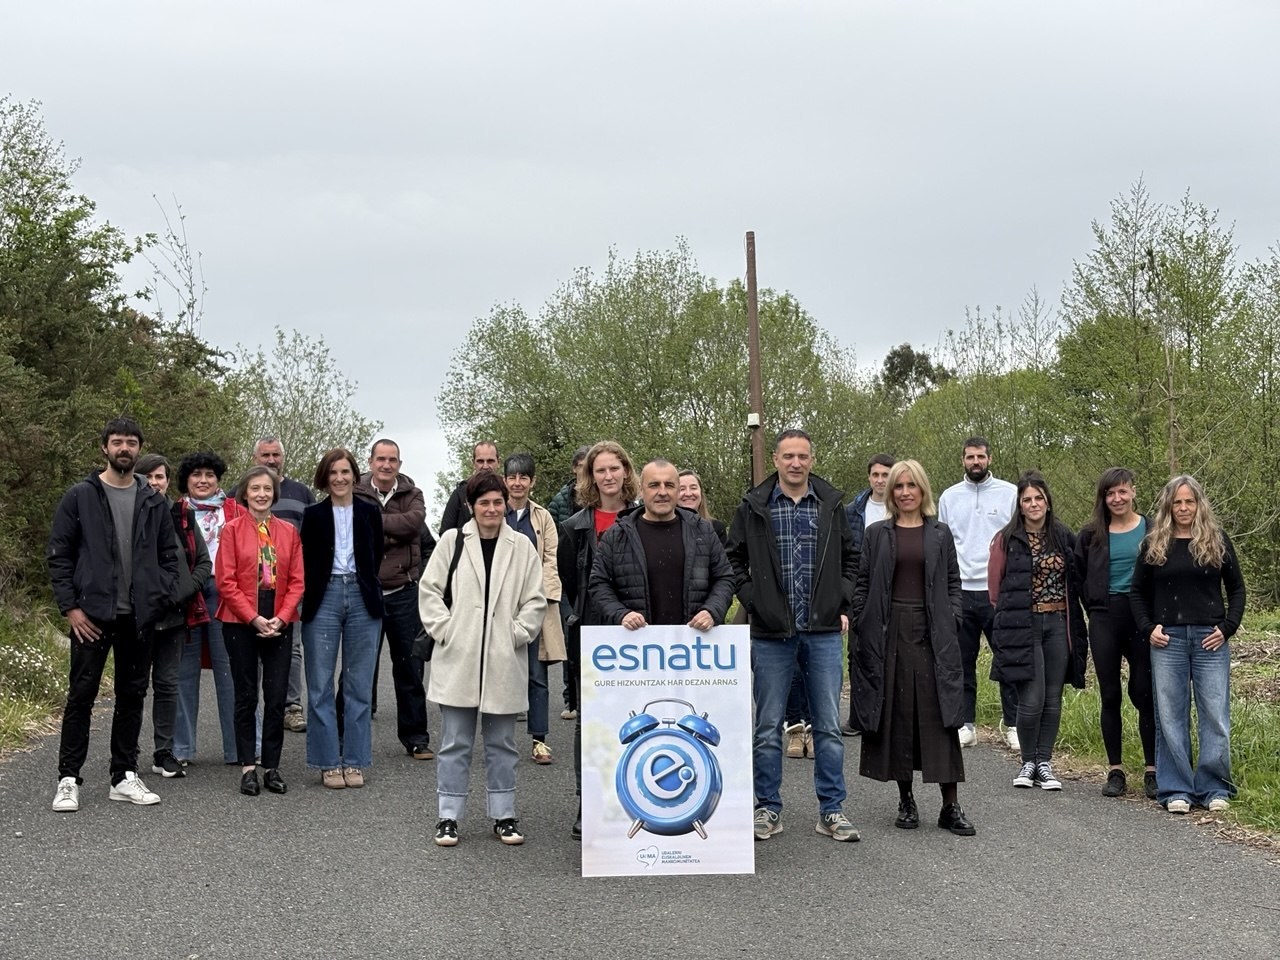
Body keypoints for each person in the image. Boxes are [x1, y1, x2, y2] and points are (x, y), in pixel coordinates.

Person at [726, 428, 860, 843]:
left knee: (828, 726)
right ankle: (767, 808)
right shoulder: (754, 506)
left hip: (820, 630)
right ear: (777, 461)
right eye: (788, 456)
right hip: (770, 634)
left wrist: (842, 601)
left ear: (812, 460)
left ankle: (832, 810)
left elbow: (853, 559)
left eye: (803, 456)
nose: (796, 463)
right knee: (767, 727)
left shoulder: (831, 505)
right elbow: (734, 560)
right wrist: (752, 600)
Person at [48, 417, 178, 812]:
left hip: (138, 617)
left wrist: (157, 599)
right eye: (117, 442)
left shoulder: (154, 501)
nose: (125, 448)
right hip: (92, 616)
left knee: (132, 696)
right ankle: (68, 779)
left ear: (139, 449)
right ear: (104, 447)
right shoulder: (80, 496)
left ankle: (123, 776)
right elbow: (60, 555)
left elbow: (170, 557)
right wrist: (71, 608)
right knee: (81, 696)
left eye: (131, 442)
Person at [419, 471, 547, 847]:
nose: (491, 509)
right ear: (471, 507)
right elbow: (429, 592)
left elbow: (535, 600)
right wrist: (447, 630)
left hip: (503, 658)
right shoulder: (452, 541)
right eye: (483, 503)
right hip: (459, 657)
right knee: (455, 742)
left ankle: (504, 814)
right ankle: (448, 816)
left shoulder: (522, 546)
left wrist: (517, 633)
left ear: (506, 503)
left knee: (502, 744)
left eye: (497, 502)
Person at [851, 460, 973, 835]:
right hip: (889, 634)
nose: (905, 492)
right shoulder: (876, 534)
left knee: (939, 717)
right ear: (891, 492)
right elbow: (862, 584)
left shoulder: (940, 533)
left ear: (923, 490)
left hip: (934, 631)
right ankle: (906, 800)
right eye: (898, 486)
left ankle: (950, 806)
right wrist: (860, 619)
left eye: (911, 485)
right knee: (899, 715)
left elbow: (954, 582)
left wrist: (952, 618)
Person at [1130, 475, 1245, 815]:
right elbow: (1137, 592)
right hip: (1169, 642)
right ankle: (1176, 787)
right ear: (1168, 505)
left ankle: (1214, 786)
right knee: (1170, 716)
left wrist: (1227, 628)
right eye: (1177, 502)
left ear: (1199, 505)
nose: (1183, 508)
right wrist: (1148, 628)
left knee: (1214, 714)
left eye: (1189, 502)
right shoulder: (1154, 543)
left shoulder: (1216, 540)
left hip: (1211, 640)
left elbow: (1237, 589)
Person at [558, 440, 639, 839]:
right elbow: (572, 585)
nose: (608, 477)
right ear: (590, 477)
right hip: (593, 635)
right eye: (600, 470)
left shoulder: (644, 518)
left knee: (636, 716)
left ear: (626, 471)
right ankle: (586, 802)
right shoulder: (574, 527)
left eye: (614, 468)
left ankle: (635, 798)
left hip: (641, 633)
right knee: (590, 722)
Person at [989, 471, 1088, 792]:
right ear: (1019, 505)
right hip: (1023, 626)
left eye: (1039, 498)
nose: (1034, 504)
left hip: (1058, 624)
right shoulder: (1007, 539)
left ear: (1047, 502)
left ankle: (1044, 762)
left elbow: (1078, 579)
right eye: (1027, 499)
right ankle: (1027, 762)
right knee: (1031, 700)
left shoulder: (1063, 536)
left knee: (1052, 699)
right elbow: (995, 589)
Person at [214, 465, 304, 796]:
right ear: (245, 493)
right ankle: (248, 766)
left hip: (279, 616)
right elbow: (225, 581)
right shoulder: (232, 530)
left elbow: (297, 581)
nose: (261, 494)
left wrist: (280, 618)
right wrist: (253, 618)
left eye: (267, 488)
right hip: (240, 619)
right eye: (255, 489)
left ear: (274, 493)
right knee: (246, 694)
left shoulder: (289, 532)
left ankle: (272, 766)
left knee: (277, 694)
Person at [301, 449, 385, 789]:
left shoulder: (369, 512)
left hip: (362, 597)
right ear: (325, 476)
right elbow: (305, 558)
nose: (339, 478)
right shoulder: (313, 514)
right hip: (325, 597)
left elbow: (375, 554)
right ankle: (326, 761)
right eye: (333, 472)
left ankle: (354, 760)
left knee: (358, 685)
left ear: (355, 475)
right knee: (320, 684)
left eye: (345, 472)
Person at [1074, 467, 1156, 799]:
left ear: (1133, 492)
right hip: (1104, 618)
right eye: (1110, 493)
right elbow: (1078, 576)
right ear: (1103, 498)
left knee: (1143, 693)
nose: (1117, 498)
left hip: (1141, 618)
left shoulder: (1152, 529)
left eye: (1122, 491)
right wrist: (1094, 606)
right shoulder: (1091, 534)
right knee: (1110, 694)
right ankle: (1116, 770)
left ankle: (1152, 770)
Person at [936, 437, 1019, 750]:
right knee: (961, 662)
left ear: (990, 458)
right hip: (960, 592)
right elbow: (942, 544)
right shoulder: (949, 497)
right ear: (963, 460)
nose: (975, 462)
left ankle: (1012, 725)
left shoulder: (1009, 493)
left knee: (1007, 660)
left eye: (980, 456)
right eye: (970, 457)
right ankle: (965, 724)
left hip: (998, 592)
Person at [353, 438, 432, 760]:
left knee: (410, 670)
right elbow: (354, 529)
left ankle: (416, 738)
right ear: (370, 462)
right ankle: (347, 737)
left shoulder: (412, 494)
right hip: (364, 593)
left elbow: (413, 525)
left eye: (393, 460)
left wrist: (374, 524)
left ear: (399, 463)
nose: (387, 465)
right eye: (381, 459)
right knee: (356, 670)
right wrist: (390, 529)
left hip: (403, 593)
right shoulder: (354, 491)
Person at [590, 459, 735, 632]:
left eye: (669, 485)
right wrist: (621, 614)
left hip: (694, 644)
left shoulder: (702, 530)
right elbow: (599, 583)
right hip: (634, 646)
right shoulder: (616, 535)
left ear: (677, 489)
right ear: (641, 490)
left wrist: (712, 610)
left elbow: (725, 578)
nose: (662, 492)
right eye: (654, 485)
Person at [136, 454, 211, 780]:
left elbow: (204, 564)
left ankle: (163, 753)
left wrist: (184, 590)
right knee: (133, 688)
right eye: (149, 477)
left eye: (161, 477)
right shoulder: (129, 514)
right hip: (137, 617)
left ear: (168, 482)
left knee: (168, 686)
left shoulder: (182, 515)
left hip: (174, 617)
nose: (155, 482)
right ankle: (124, 756)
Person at [173, 450, 246, 766]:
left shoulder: (235, 511)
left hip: (226, 594)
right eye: (196, 475)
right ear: (186, 480)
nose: (203, 481)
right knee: (182, 673)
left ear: (218, 480)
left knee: (231, 671)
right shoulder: (172, 512)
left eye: (209, 475)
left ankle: (239, 748)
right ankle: (181, 750)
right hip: (185, 596)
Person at [244, 436, 316, 735]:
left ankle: (291, 706)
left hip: (291, 585)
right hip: (252, 587)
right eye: (265, 455)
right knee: (254, 649)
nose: (271, 460)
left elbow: (312, 537)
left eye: (276, 455)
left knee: (293, 648)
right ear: (254, 458)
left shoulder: (301, 492)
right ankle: (257, 710)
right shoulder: (244, 491)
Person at [503, 453, 566, 765]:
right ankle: (498, 741)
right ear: (505, 480)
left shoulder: (543, 518)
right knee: (497, 673)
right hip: (498, 609)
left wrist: (539, 598)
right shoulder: (493, 512)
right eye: (512, 477)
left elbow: (550, 559)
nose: (518, 483)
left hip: (534, 606)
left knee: (536, 676)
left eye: (523, 477)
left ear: (532, 481)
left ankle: (539, 740)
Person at [842, 453, 896, 736]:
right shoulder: (852, 511)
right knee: (858, 653)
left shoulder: (902, 508)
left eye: (885, 475)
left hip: (897, 588)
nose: (880, 480)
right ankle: (859, 719)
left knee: (893, 652)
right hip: (861, 588)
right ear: (869, 477)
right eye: (875, 475)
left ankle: (889, 716)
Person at [550, 445, 591, 721]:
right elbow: (553, 538)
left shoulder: (604, 497)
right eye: (580, 464)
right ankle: (571, 699)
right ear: (575, 467)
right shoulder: (560, 500)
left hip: (592, 575)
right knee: (571, 638)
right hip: (568, 577)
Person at [438, 440, 500, 534]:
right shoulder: (460, 494)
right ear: (473, 463)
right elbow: (445, 532)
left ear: (498, 462)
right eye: (480, 461)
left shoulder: (506, 492)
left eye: (490, 461)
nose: (485, 466)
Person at [676, 468, 727, 544]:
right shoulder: (666, 528)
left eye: (693, 488)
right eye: (682, 489)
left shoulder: (717, 528)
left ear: (701, 493)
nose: (688, 494)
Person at [546, 445, 591, 528]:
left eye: (589, 467)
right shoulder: (558, 502)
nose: (586, 471)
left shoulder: (603, 497)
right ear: (574, 468)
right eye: (582, 466)